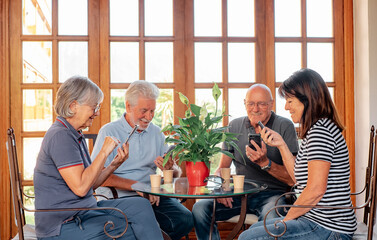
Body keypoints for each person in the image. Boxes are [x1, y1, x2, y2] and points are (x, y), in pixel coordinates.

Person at [34, 76, 163, 239]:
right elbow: (81, 188)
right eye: (93, 107)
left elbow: (90, 185)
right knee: (130, 230)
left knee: (141, 206)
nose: (97, 113)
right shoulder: (61, 136)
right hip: (64, 223)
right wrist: (104, 152)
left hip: (84, 211)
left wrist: (113, 165)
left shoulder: (74, 134)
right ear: (74, 106)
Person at [239, 68, 357, 239]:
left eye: (290, 101)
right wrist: (281, 145)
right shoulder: (316, 129)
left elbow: (315, 190)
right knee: (254, 229)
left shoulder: (320, 132)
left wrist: (286, 220)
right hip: (316, 220)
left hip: (328, 227)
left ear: (307, 100)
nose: (286, 107)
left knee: (248, 238)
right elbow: (299, 179)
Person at [192, 83, 299, 240]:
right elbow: (222, 168)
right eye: (251, 103)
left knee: (270, 221)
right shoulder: (235, 125)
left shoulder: (284, 126)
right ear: (244, 103)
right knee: (200, 208)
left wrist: (265, 163)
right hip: (240, 193)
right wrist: (221, 189)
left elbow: (293, 178)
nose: (255, 109)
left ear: (271, 103)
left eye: (261, 104)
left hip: (273, 194)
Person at [91, 80, 194, 240]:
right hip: (119, 198)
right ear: (128, 107)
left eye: (153, 111)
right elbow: (98, 178)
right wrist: (137, 186)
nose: (149, 117)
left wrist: (171, 169)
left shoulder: (156, 133)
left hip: (151, 197)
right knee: (143, 225)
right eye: (144, 111)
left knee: (185, 220)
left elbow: (175, 174)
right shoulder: (109, 131)